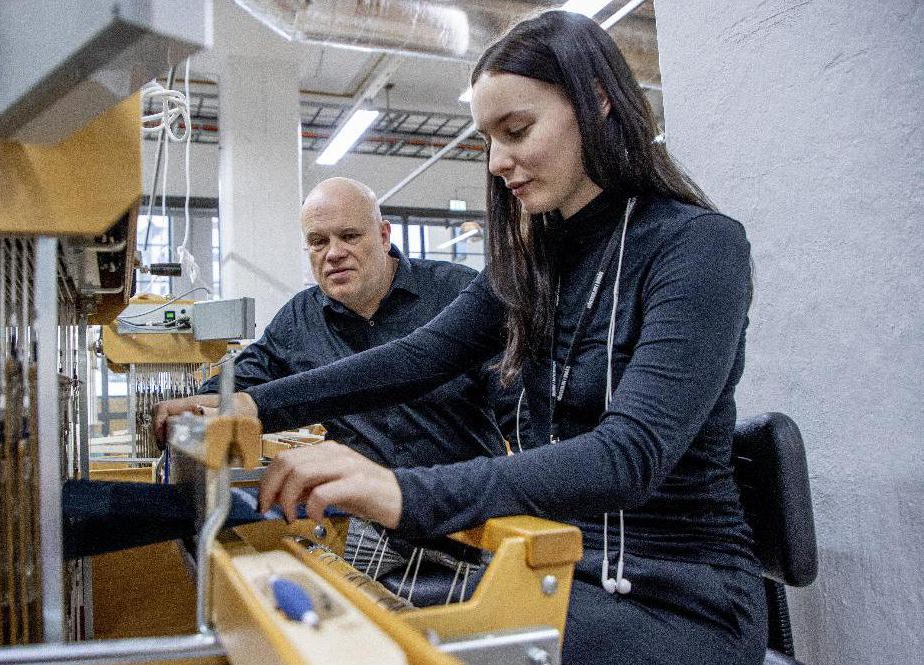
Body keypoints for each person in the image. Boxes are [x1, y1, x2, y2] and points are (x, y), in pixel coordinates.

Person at [154, 10, 765, 665]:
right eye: (488, 139)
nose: (498, 161)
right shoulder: (531, 263)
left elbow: (630, 455)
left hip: (681, 601)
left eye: (517, 130)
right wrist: (251, 404)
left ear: (598, 103)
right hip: (554, 566)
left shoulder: (697, 248)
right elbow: (418, 357)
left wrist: (402, 491)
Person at [195, 176, 521, 470]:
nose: (334, 253)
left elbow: (518, 409)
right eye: (318, 241)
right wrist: (195, 411)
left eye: (349, 236)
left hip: (466, 512)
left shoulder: (456, 292)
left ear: (383, 235)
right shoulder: (299, 321)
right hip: (363, 518)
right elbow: (233, 384)